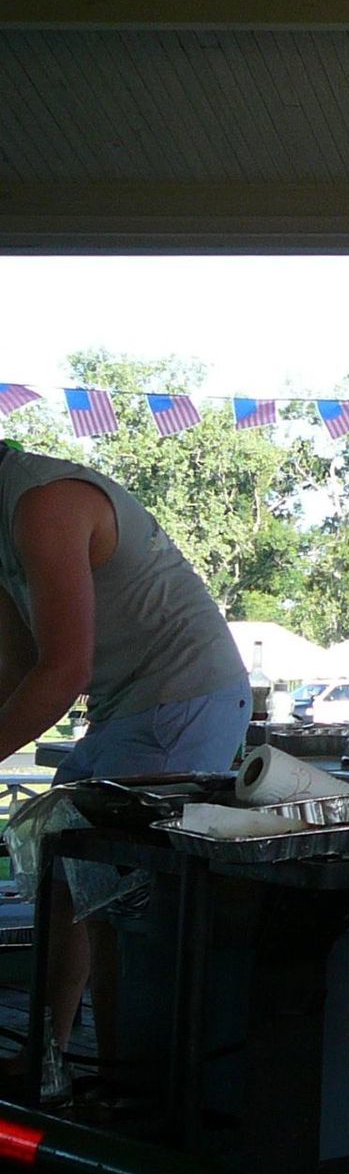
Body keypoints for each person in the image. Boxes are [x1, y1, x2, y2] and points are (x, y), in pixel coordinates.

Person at [0, 440, 249, 1080]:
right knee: (62, 876)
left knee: (115, 899)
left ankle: (126, 1090)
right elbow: (17, 670)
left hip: (182, 697)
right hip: (128, 707)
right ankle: (48, 1063)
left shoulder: (44, 501)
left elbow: (62, 672)